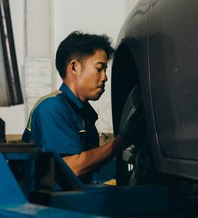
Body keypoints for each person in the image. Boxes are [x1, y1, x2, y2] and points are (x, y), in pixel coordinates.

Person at [22, 31, 145, 184]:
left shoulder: (85, 114)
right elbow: (72, 167)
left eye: (105, 70)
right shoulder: (52, 107)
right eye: (99, 68)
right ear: (74, 68)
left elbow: (88, 166)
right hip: (42, 205)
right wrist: (123, 140)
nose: (105, 77)